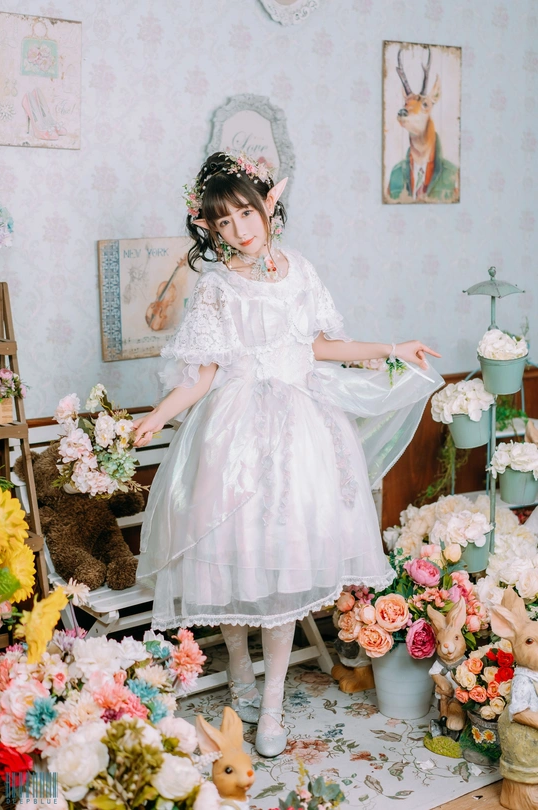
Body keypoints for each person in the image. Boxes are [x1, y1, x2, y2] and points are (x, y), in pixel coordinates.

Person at [133, 150, 443, 757]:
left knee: (283, 561)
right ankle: (240, 664)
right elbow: (201, 375)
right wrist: (157, 416)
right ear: (209, 228)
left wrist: (392, 348)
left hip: (301, 434)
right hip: (232, 434)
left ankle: (272, 703)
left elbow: (322, 346)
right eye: (223, 223)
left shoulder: (300, 269)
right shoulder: (215, 287)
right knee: (227, 553)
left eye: (246, 213)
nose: (239, 230)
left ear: (268, 205)